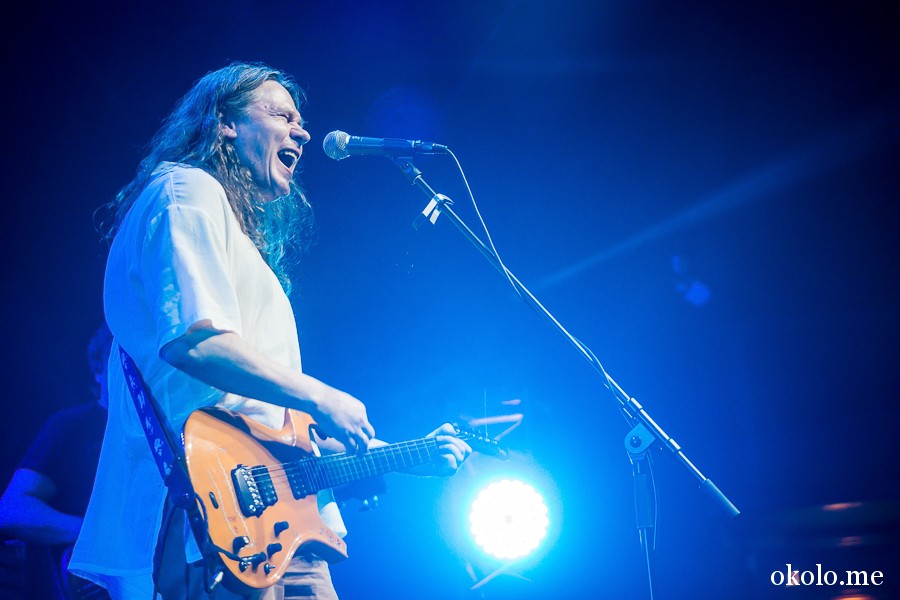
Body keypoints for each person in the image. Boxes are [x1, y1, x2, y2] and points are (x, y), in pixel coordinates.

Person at [68, 61, 471, 599]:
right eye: (283, 116)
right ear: (225, 123)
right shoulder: (186, 190)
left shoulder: (226, 227)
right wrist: (322, 396)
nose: (302, 133)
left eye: (300, 122)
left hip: (280, 528)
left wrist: (402, 453)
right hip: (217, 524)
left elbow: (272, 427)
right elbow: (195, 342)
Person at [0, 323, 112, 599]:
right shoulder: (71, 425)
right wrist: (96, 534)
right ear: (99, 369)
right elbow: (12, 508)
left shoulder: (157, 431)